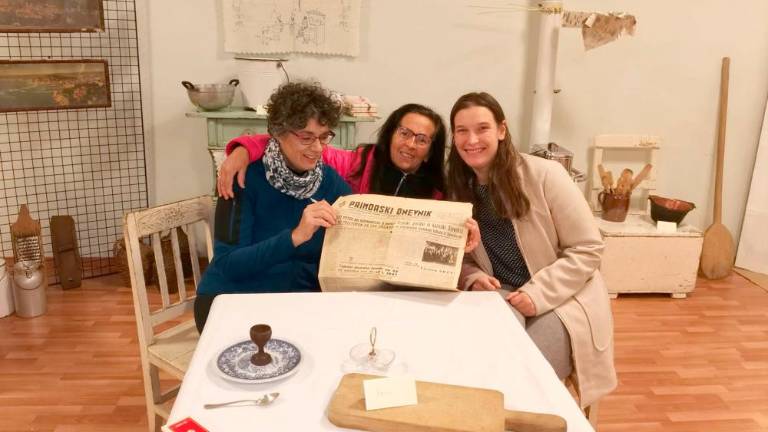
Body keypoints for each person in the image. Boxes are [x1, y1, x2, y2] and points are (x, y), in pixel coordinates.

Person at [447, 92, 617, 409]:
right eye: (461, 131)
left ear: (501, 130)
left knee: (524, 376)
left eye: (482, 128)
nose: (472, 140)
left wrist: (537, 294)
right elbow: (463, 255)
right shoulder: (458, 186)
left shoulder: (545, 174)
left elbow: (588, 248)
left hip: (562, 296)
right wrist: (472, 277)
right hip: (502, 292)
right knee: (475, 362)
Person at [194, 81, 351, 332]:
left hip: (291, 300)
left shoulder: (328, 180)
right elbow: (228, 265)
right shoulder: (242, 178)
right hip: (232, 299)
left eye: (324, 137)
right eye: (306, 137)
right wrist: (295, 237)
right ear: (278, 132)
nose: (317, 148)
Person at [217, 103, 447, 199]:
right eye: (404, 133)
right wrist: (245, 150)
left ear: (430, 150)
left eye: (422, 140)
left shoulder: (438, 191)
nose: (410, 144)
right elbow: (295, 143)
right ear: (390, 135)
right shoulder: (359, 162)